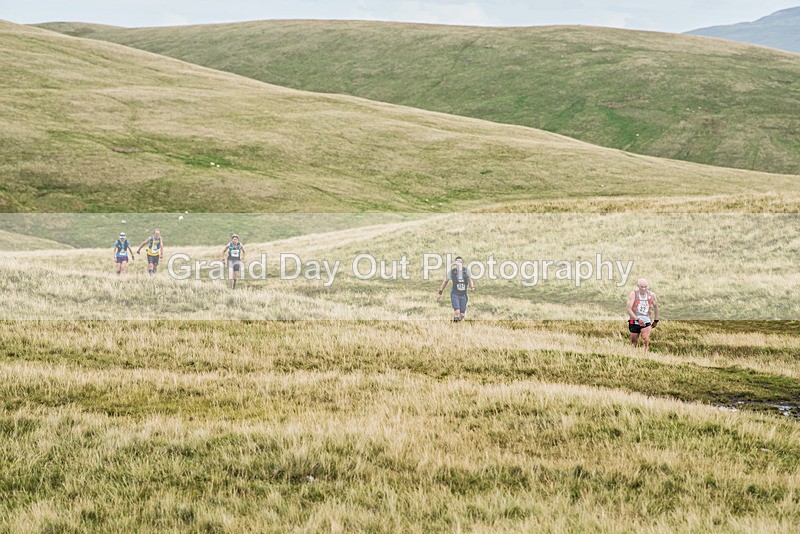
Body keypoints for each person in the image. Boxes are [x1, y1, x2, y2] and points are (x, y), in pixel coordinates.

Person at [436, 256, 475, 322]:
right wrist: (440, 292)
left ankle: (457, 324)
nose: (459, 263)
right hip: (455, 294)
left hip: (463, 294)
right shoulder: (452, 272)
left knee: (462, 315)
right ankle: (454, 325)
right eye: (457, 262)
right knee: (457, 312)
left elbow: (470, 280)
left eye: (460, 262)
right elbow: (445, 281)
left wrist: (472, 287)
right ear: (455, 263)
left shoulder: (465, 271)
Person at [626, 278, 660, 350]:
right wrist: (638, 320)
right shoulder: (633, 294)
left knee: (646, 339)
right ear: (638, 286)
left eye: (645, 287)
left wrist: (656, 320)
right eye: (642, 287)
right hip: (634, 321)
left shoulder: (651, 295)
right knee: (634, 343)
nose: (644, 289)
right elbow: (628, 309)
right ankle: (633, 356)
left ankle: (645, 355)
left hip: (646, 320)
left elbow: (656, 307)